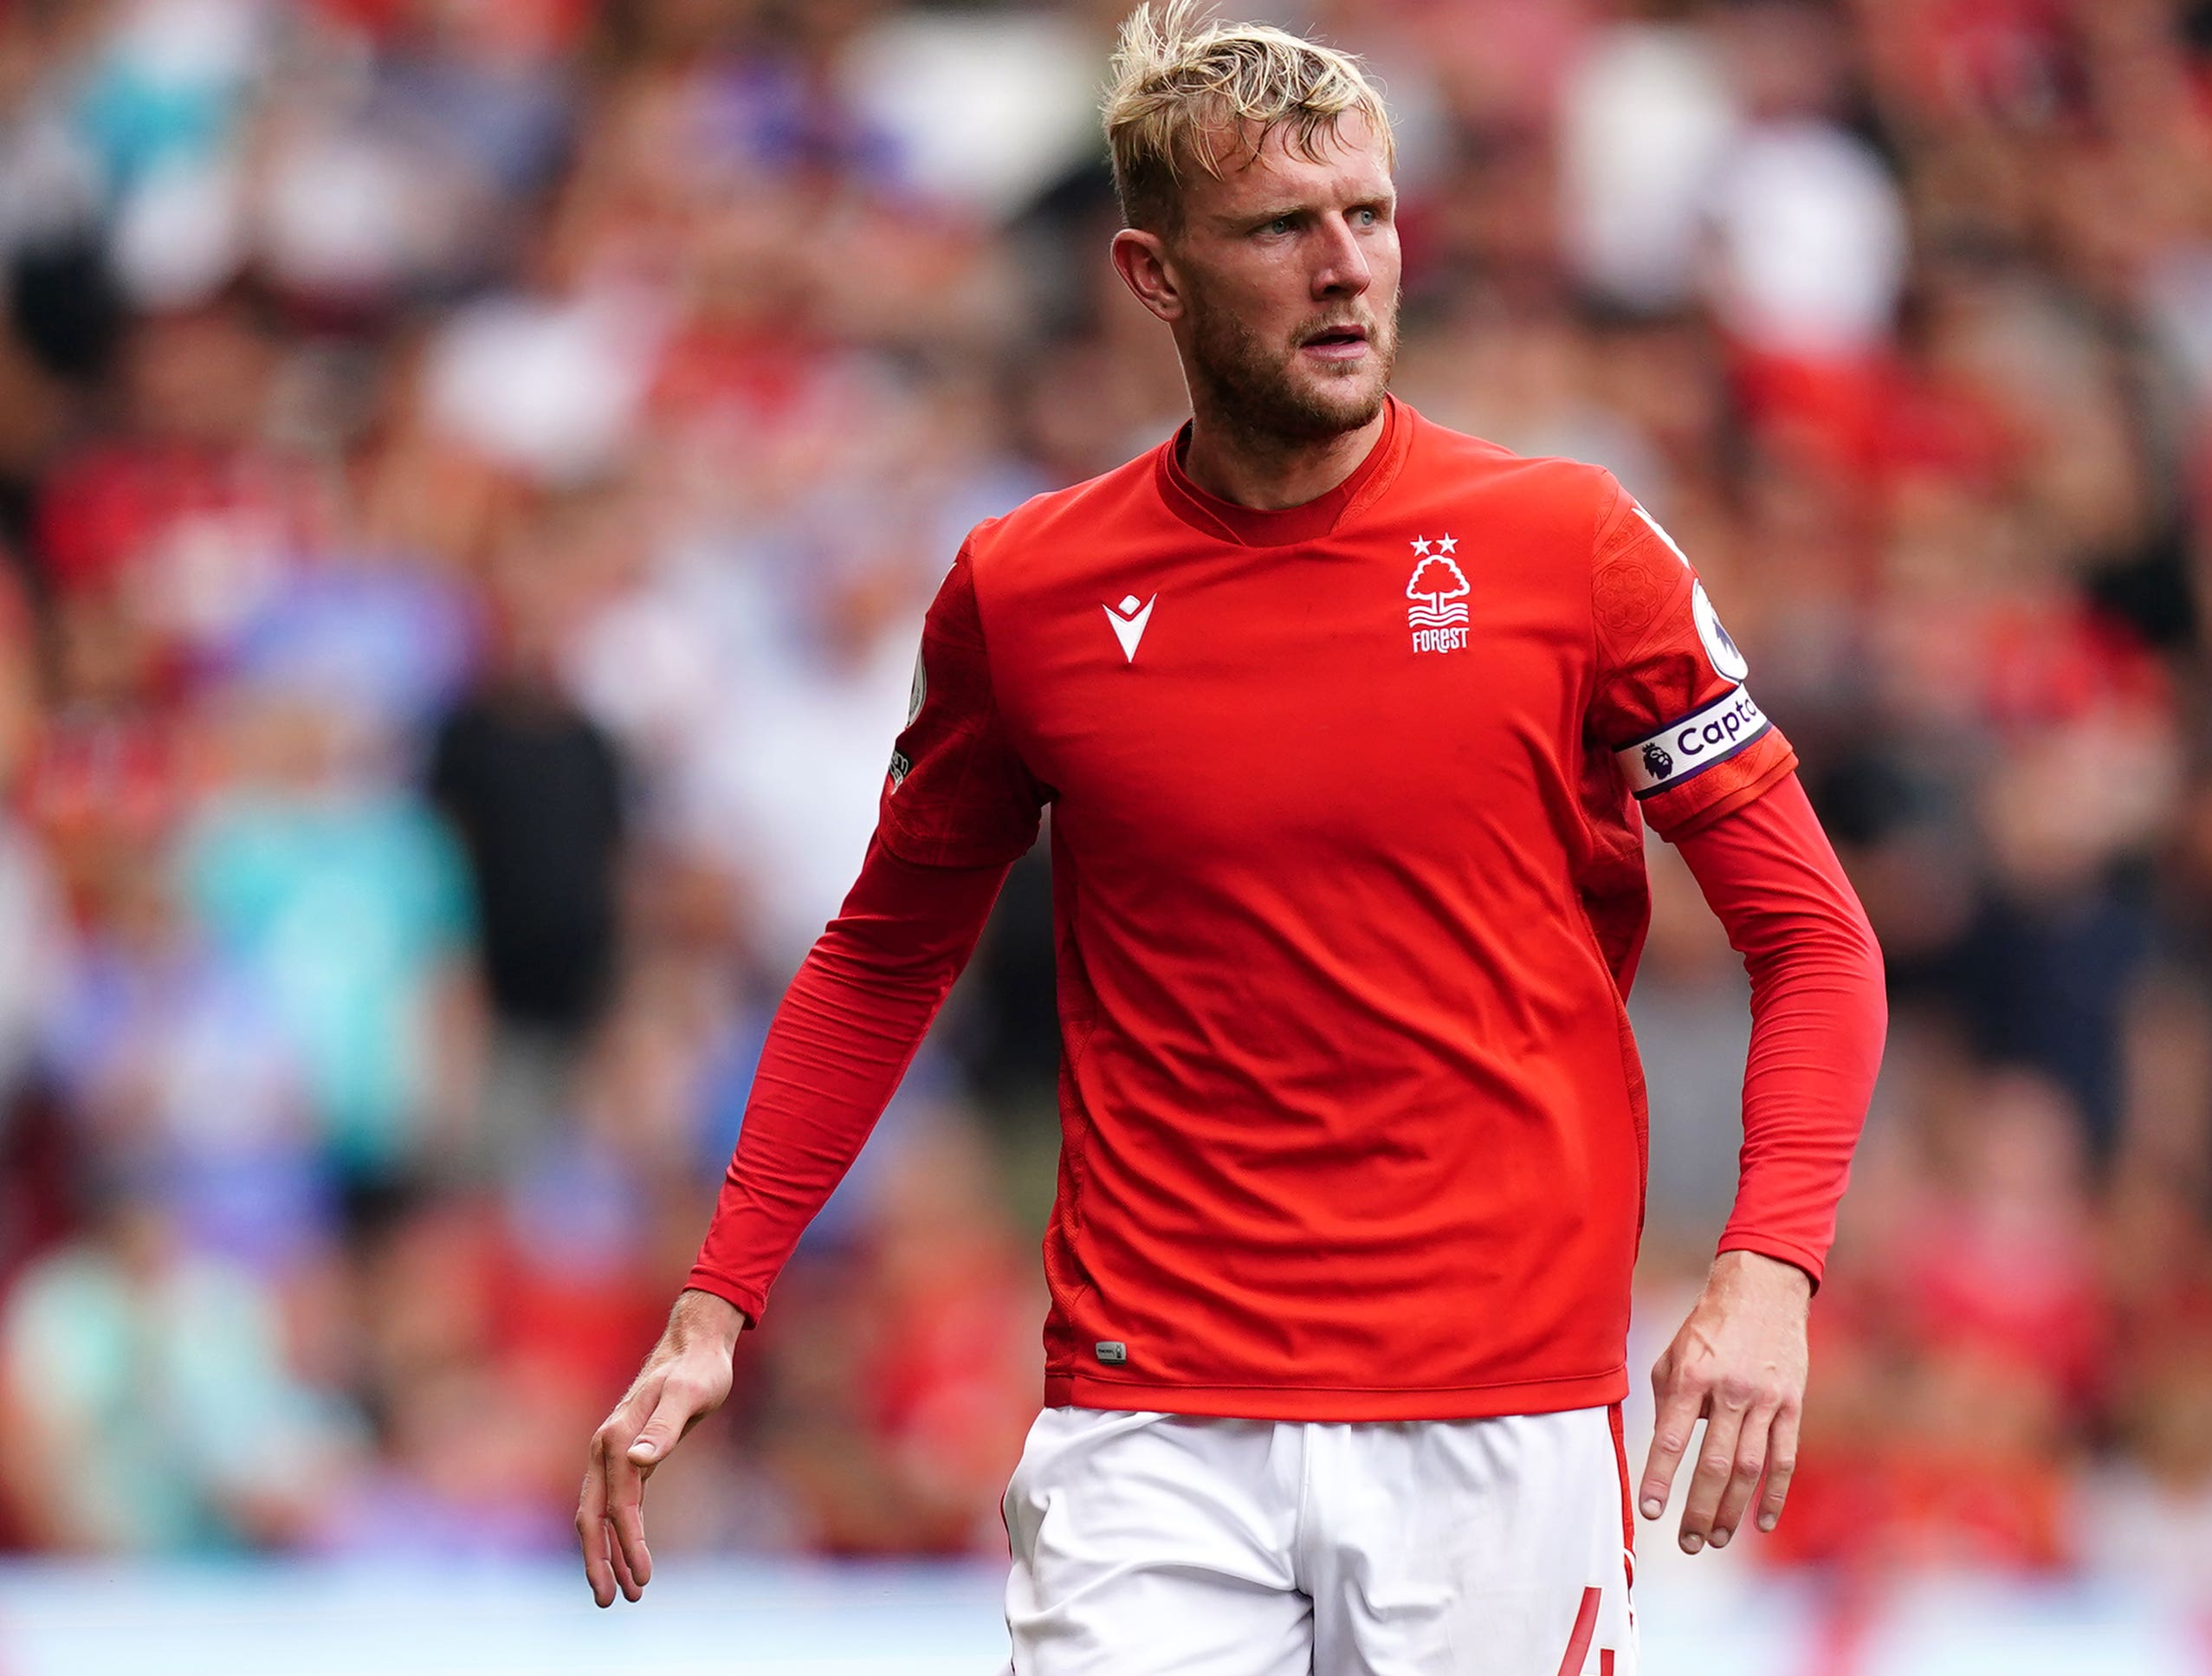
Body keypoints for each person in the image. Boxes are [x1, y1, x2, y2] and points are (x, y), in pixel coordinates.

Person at [576, 6, 1887, 1670]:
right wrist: (719, 1298)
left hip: (1502, 1414)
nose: (1346, 267)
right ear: (1154, 276)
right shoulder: (1028, 593)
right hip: (1154, 1423)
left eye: (1371, 215)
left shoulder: (1571, 551)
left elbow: (1815, 939)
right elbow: (881, 955)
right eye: (1280, 227)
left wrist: (1768, 1266)